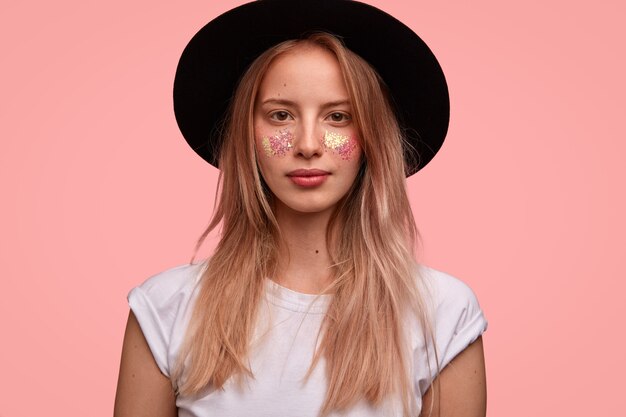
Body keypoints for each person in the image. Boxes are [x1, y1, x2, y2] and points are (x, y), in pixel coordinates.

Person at [114, 1, 487, 416]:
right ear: (246, 134)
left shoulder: (443, 313)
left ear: (371, 137)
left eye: (338, 117)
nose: (307, 144)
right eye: (280, 115)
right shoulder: (165, 308)